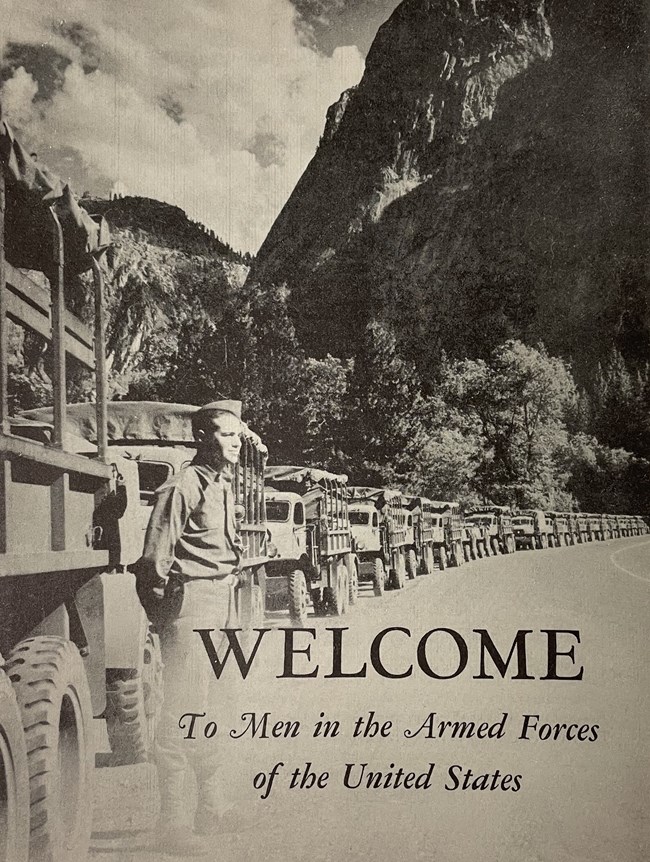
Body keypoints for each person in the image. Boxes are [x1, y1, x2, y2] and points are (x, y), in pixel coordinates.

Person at [135, 399, 245, 856]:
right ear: (202, 437)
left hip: (223, 603)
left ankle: (210, 807)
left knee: (219, 706)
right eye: (225, 434)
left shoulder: (221, 485)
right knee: (184, 710)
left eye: (238, 435)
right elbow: (151, 566)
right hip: (193, 605)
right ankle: (171, 821)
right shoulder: (181, 486)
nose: (235, 443)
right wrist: (170, 621)